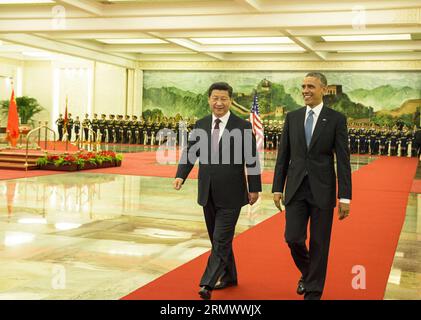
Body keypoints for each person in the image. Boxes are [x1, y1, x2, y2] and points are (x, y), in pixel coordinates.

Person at [174, 82, 262, 300]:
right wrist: (180, 175)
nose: (219, 103)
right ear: (209, 99)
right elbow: (190, 152)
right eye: (215, 98)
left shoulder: (242, 126)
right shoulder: (202, 124)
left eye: (223, 99)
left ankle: (208, 283)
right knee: (218, 239)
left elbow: (251, 158)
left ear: (230, 100)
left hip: (232, 193)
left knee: (221, 239)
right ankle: (230, 276)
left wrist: (255, 188)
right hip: (207, 192)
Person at [272, 72, 352, 300]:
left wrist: (345, 197)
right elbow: (283, 155)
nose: (306, 90)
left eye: (311, 87)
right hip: (295, 189)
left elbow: (343, 160)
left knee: (319, 242)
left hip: (323, 190)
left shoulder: (336, 119)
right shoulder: (293, 117)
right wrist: (278, 187)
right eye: (303, 86)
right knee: (293, 238)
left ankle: (314, 291)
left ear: (323, 90)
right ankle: (309, 274)